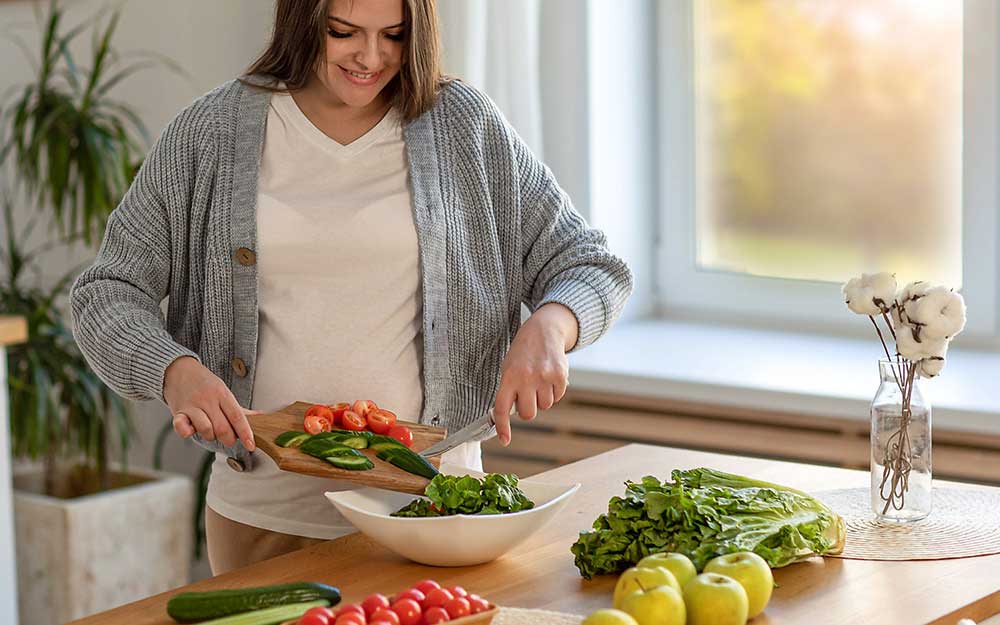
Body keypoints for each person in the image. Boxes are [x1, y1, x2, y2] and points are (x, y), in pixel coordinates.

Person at [70, 0, 632, 575]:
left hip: (436, 513)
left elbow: (589, 263)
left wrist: (550, 326)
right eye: (344, 33)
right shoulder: (209, 134)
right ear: (303, 21)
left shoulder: (462, 124)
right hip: (265, 519)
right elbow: (107, 293)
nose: (371, 57)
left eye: (394, 34)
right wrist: (172, 371)